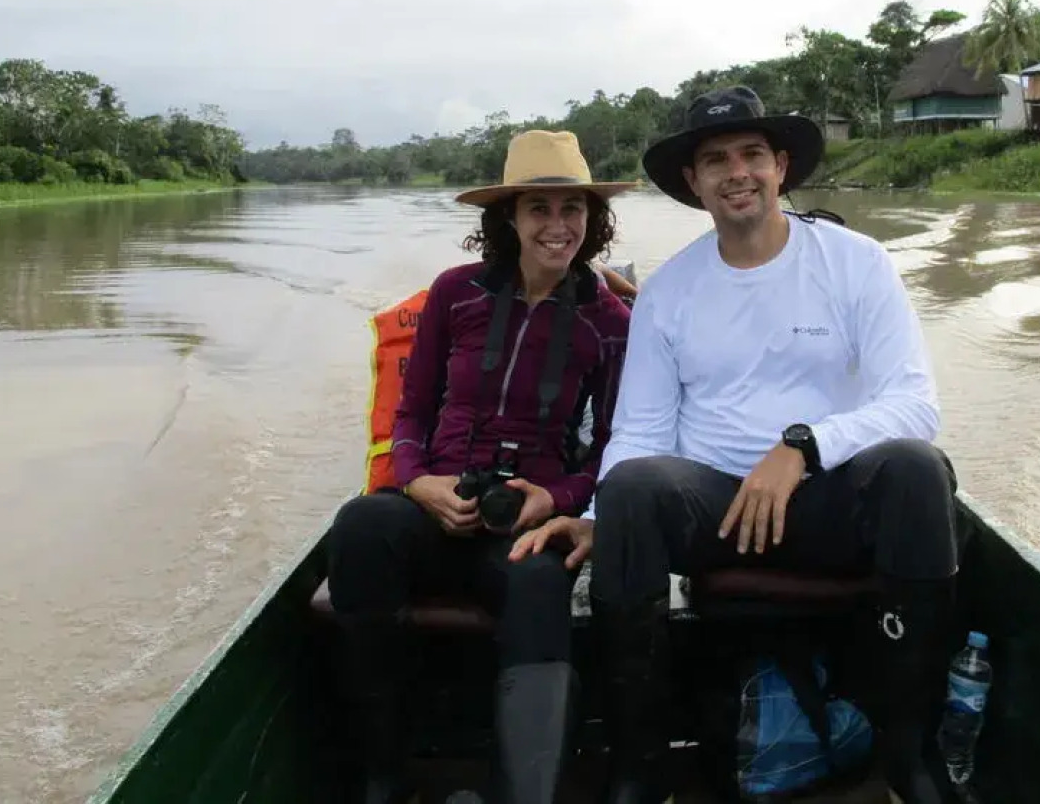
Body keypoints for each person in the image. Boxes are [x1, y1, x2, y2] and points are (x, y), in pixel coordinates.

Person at [512, 87, 960, 804]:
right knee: (631, 487)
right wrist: (597, 516)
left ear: (780, 166)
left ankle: (911, 756)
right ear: (694, 182)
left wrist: (803, 448)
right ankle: (638, 770)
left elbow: (914, 405)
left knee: (916, 468)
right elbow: (642, 431)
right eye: (716, 160)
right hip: (717, 513)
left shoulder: (856, 262)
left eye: (752, 154)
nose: (737, 172)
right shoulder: (671, 289)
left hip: (830, 503)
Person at [326, 129, 635, 804]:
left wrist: (555, 499)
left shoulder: (609, 321)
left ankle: (522, 793)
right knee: (359, 529)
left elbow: (615, 444)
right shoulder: (455, 293)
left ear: (593, 219)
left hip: (525, 522)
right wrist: (418, 482)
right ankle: (383, 779)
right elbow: (411, 412)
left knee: (540, 585)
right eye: (538, 209)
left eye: (573, 209)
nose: (558, 225)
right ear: (508, 218)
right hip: (434, 503)